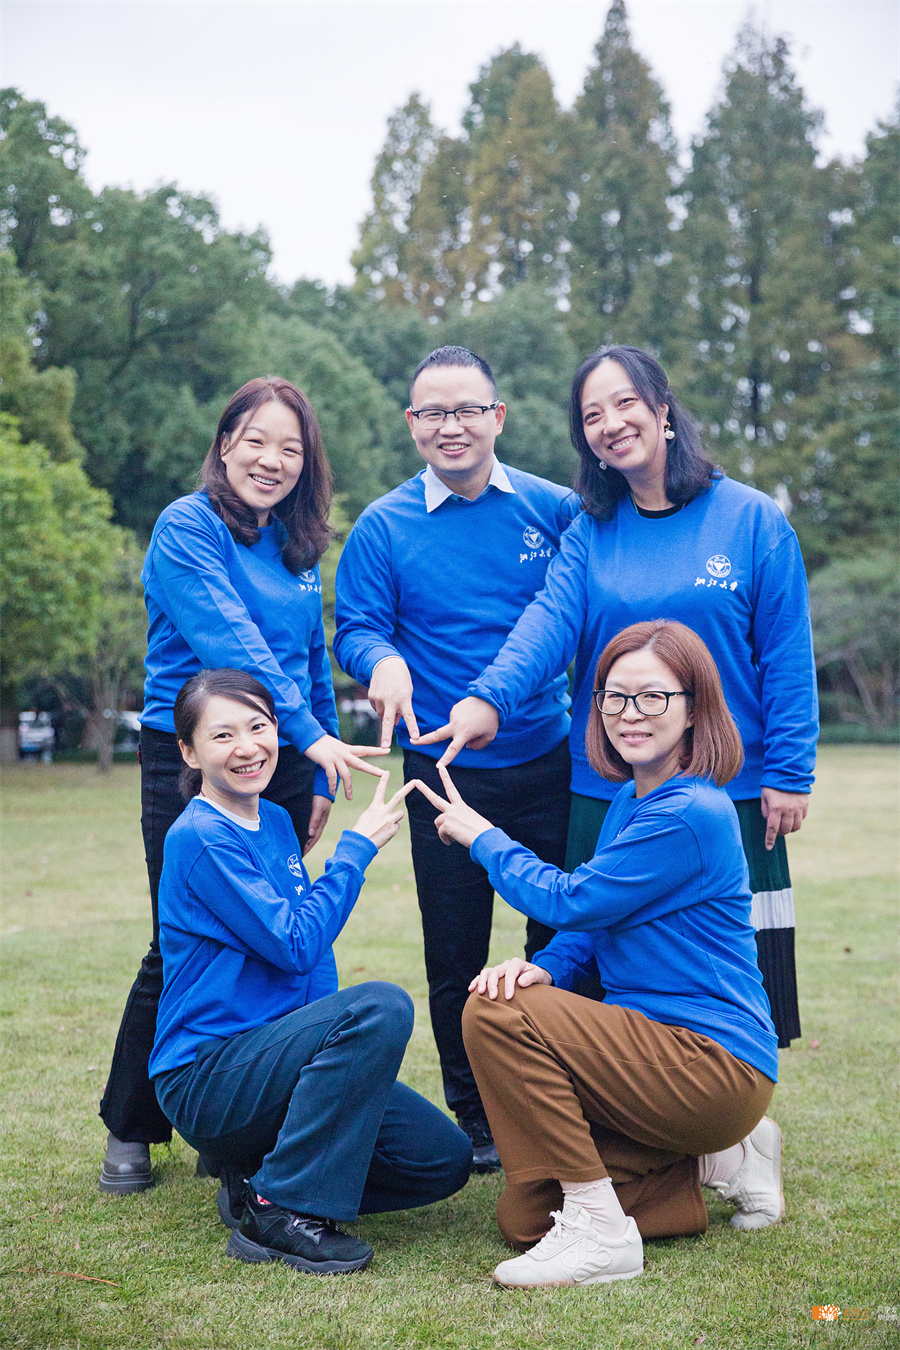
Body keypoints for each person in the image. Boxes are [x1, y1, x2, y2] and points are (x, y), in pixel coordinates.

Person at [421, 345, 817, 1048]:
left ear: (663, 411)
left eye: (625, 403)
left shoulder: (752, 519)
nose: (611, 423)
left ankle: (732, 1103)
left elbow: (786, 655)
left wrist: (789, 772)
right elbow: (547, 624)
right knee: (596, 966)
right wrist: (489, 699)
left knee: (729, 978)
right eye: (592, 415)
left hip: (731, 784)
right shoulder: (590, 530)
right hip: (607, 787)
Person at [413, 621, 782, 1288]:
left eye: (653, 697)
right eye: (614, 696)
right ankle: (721, 1161)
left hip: (709, 1060)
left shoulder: (689, 811)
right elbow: (594, 922)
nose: (629, 713)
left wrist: (485, 838)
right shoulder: (630, 799)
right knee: (527, 1215)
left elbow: (573, 900)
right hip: (648, 1053)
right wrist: (545, 967)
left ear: (694, 707)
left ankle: (605, 1236)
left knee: (496, 1012)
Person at [99, 377, 386, 1194]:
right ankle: (132, 1125)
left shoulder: (296, 544)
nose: (271, 460)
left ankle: (247, 1124)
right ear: (225, 445)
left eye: (291, 448)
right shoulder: (188, 528)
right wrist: (312, 734)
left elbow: (307, 656)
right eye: (256, 440)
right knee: (183, 937)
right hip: (196, 751)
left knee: (279, 931)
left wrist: (317, 761)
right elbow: (234, 647)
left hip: (284, 752)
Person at [333, 346, 580, 1171]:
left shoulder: (554, 508)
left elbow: (580, 615)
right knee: (454, 952)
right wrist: (380, 660)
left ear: (497, 417)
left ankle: (561, 1093)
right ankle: (475, 1120)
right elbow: (356, 627)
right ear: (412, 424)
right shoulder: (383, 526)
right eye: (433, 412)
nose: (451, 426)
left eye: (467, 409)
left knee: (559, 935)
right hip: (440, 777)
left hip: (549, 760)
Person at [149, 668, 471, 1274]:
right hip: (208, 1076)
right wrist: (356, 851)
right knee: (380, 1006)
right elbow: (295, 942)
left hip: (275, 1064)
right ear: (189, 752)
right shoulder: (200, 836)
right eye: (222, 735)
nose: (247, 747)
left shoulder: (274, 821)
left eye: (258, 727)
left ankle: (258, 1177)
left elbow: (311, 959)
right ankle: (279, 1208)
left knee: (441, 1160)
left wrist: (317, 1039)